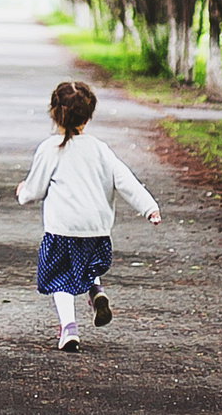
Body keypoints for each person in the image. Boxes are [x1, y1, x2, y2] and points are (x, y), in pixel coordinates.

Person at [15, 79, 159, 352]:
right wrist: (149, 207)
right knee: (85, 264)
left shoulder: (51, 149)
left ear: (54, 112)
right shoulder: (100, 149)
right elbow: (125, 180)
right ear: (88, 115)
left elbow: (34, 190)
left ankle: (69, 328)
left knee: (60, 277)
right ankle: (96, 290)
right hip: (97, 230)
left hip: (63, 230)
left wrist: (22, 193)